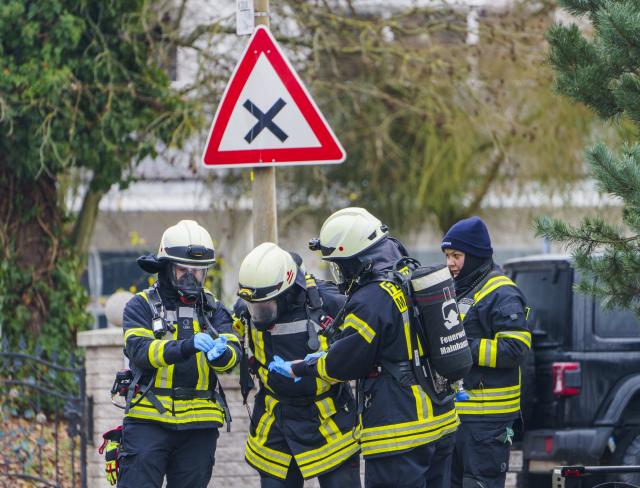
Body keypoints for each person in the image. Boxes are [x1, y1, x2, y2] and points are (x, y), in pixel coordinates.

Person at [270, 207, 459, 488]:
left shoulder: (370, 298)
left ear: (356, 261)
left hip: (399, 430)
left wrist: (305, 365)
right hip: (441, 420)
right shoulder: (409, 275)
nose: (340, 273)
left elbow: (344, 363)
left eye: (340, 264)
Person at [117, 219, 242, 488]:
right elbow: (140, 351)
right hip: (149, 419)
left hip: (200, 424)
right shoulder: (141, 306)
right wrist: (186, 346)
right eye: (182, 269)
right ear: (166, 267)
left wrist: (222, 354)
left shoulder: (214, 309)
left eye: (198, 271)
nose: (190, 277)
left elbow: (233, 353)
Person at [236, 242, 361, 488]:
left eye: (266, 304)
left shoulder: (329, 304)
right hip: (275, 420)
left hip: (329, 419)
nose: (258, 313)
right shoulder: (246, 307)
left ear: (286, 289)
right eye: (253, 306)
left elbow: (358, 354)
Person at [441, 216, 531, 488]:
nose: (450, 263)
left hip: (488, 421)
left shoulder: (502, 292)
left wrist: (464, 348)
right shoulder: (462, 288)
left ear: (476, 255)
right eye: (447, 255)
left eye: (456, 255)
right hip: (459, 417)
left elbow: (516, 348)